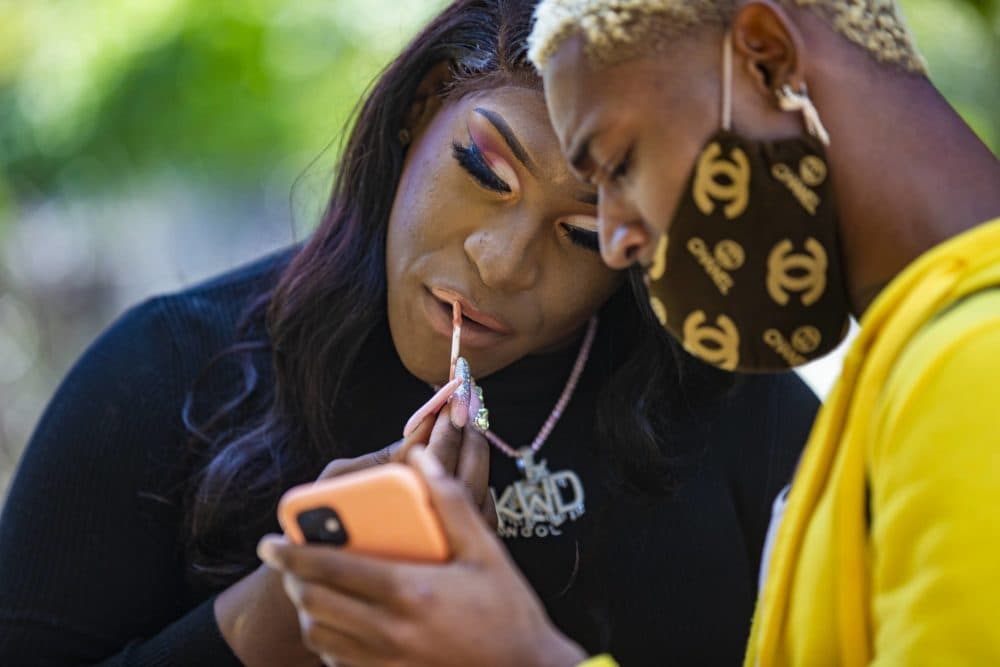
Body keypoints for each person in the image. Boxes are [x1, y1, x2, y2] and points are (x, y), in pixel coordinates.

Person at [0, 1, 819, 665]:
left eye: (582, 232)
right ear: (423, 106)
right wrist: (274, 614)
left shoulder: (729, 405)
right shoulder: (165, 372)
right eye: (484, 173)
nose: (501, 264)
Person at [258, 0, 1000, 665]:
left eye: (618, 164)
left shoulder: (975, 365)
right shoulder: (920, 355)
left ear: (766, 57)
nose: (615, 244)